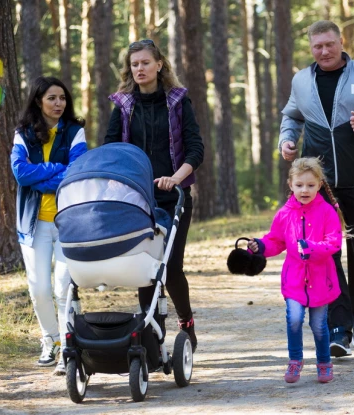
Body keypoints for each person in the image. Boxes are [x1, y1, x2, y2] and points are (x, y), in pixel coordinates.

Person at [278, 20, 354, 356]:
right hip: (320, 187)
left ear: (341, 42)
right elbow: (291, 116)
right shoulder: (302, 81)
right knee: (324, 253)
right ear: (310, 47)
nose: (324, 51)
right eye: (317, 46)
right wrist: (287, 140)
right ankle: (339, 327)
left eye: (329, 44)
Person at [104, 39, 204, 352]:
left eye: (145, 63)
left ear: (159, 65)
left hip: (174, 196)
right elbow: (110, 148)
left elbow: (195, 148)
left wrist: (175, 178)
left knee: (171, 268)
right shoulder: (122, 104)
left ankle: (186, 321)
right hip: (137, 197)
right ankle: (151, 332)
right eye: (134, 64)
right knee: (145, 267)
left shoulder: (177, 101)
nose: (140, 69)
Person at [10, 76, 88, 375]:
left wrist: (43, 174)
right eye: (52, 98)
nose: (59, 104)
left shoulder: (75, 132)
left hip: (69, 220)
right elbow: (20, 174)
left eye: (63, 98)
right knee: (39, 288)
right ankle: (50, 340)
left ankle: (69, 346)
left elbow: (77, 172)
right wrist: (56, 169)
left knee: (62, 287)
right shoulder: (23, 134)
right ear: (38, 101)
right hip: (33, 223)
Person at [247, 158, 344, 383]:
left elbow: (334, 242)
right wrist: (260, 246)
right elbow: (275, 241)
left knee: (319, 325)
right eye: (299, 185)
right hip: (294, 281)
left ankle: (324, 362)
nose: (305, 190)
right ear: (290, 184)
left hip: (321, 280)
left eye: (310, 185)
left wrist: (312, 248)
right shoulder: (284, 214)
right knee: (294, 319)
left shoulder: (327, 212)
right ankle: (295, 360)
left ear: (319, 185)